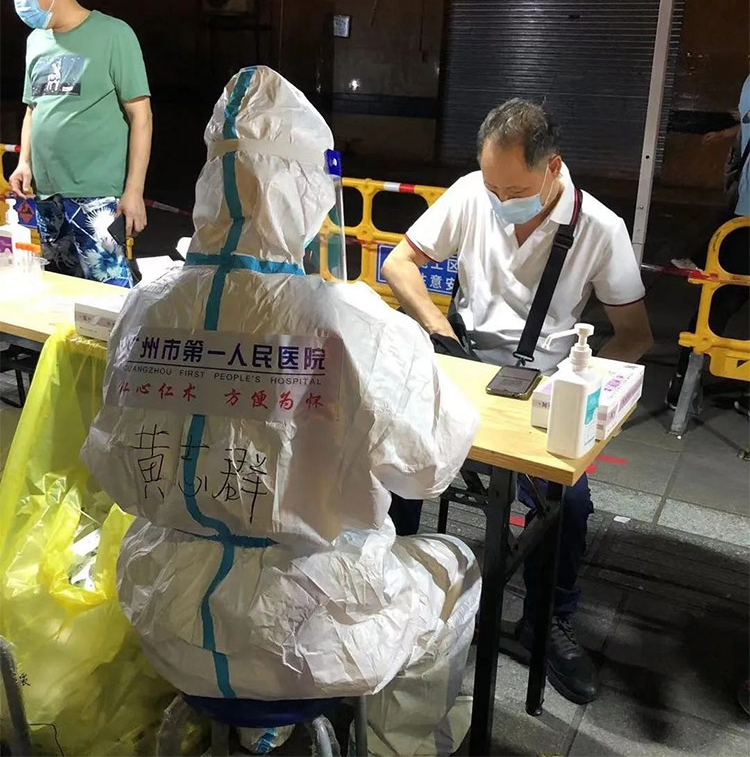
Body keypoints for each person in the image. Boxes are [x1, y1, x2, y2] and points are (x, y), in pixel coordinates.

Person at [81, 67, 481, 756]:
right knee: (455, 564)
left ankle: (244, 731)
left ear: (211, 182)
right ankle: (401, 747)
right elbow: (429, 468)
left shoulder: (146, 306)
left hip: (169, 622)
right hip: (309, 637)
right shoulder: (351, 322)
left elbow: (115, 464)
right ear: (308, 192)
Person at [383, 99, 653, 705]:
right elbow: (401, 264)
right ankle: (390, 590)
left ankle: (547, 621)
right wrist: (438, 330)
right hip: (464, 361)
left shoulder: (600, 228)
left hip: (544, 385)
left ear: (553, 166)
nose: (501, 200)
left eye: (515, 190)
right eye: (493, 187)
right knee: (393, 458)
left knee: (568, 501)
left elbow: (635, 335)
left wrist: (581, 388)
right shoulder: (470, 194)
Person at [3, 0, 152, 287]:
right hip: (47, 192)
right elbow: (33, 108)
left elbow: (141, 116)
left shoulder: (114, 34)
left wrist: (134, 190)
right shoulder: (36, 41)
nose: (17, 5)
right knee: (61, 289)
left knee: (108, 292)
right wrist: (24, 162)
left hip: (97, 193)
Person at [666, 74, 750, 417]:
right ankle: (685, 379)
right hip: (746, 220)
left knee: (719, 301)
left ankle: (684, 381)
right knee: (719, 301)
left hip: (745, 218)